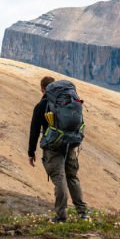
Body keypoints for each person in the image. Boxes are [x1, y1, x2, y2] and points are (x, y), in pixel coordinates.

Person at [28, 75, 89, 222]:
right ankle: (83, 213)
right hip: (70, 143)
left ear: (42, 89)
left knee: (59, 179)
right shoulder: (67, 101)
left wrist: (31, 152)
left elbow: (34, 130)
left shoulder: (41, 106)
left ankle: (61, 216)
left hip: (53, 147)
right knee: (72, 177)